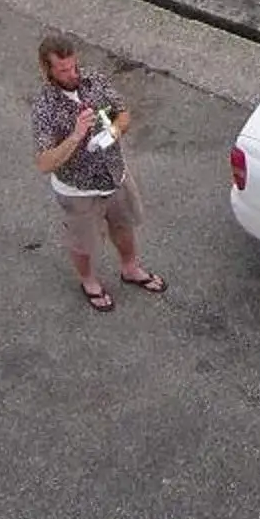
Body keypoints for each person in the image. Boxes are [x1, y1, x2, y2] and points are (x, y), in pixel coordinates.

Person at [29, 32, 162, 311]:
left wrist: (114, 130)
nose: (72, 73)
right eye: (63, 70)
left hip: (115, 175)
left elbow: (123, 112)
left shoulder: (95, 81)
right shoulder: (45, 107)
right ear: (47, 69)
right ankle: (89, 282)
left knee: (123, 226)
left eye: (73, 65)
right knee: (84, 244)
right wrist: (76, 135)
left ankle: (130, 268)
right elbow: (44, 163)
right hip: (79, 191)